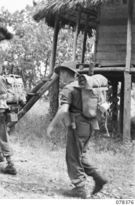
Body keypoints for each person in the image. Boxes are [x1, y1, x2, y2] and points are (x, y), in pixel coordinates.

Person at [46, 62, 108, 198]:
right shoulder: (86, 86)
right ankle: (98, 178)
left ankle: (80, 187)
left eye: (62, 72)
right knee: (81, 155)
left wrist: (51, 125)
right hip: (90, 124)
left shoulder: (69, 88)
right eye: (60, 72)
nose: (61, 75)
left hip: (78, 126)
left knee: (73, 156)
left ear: (69, 73)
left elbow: (63, 110)